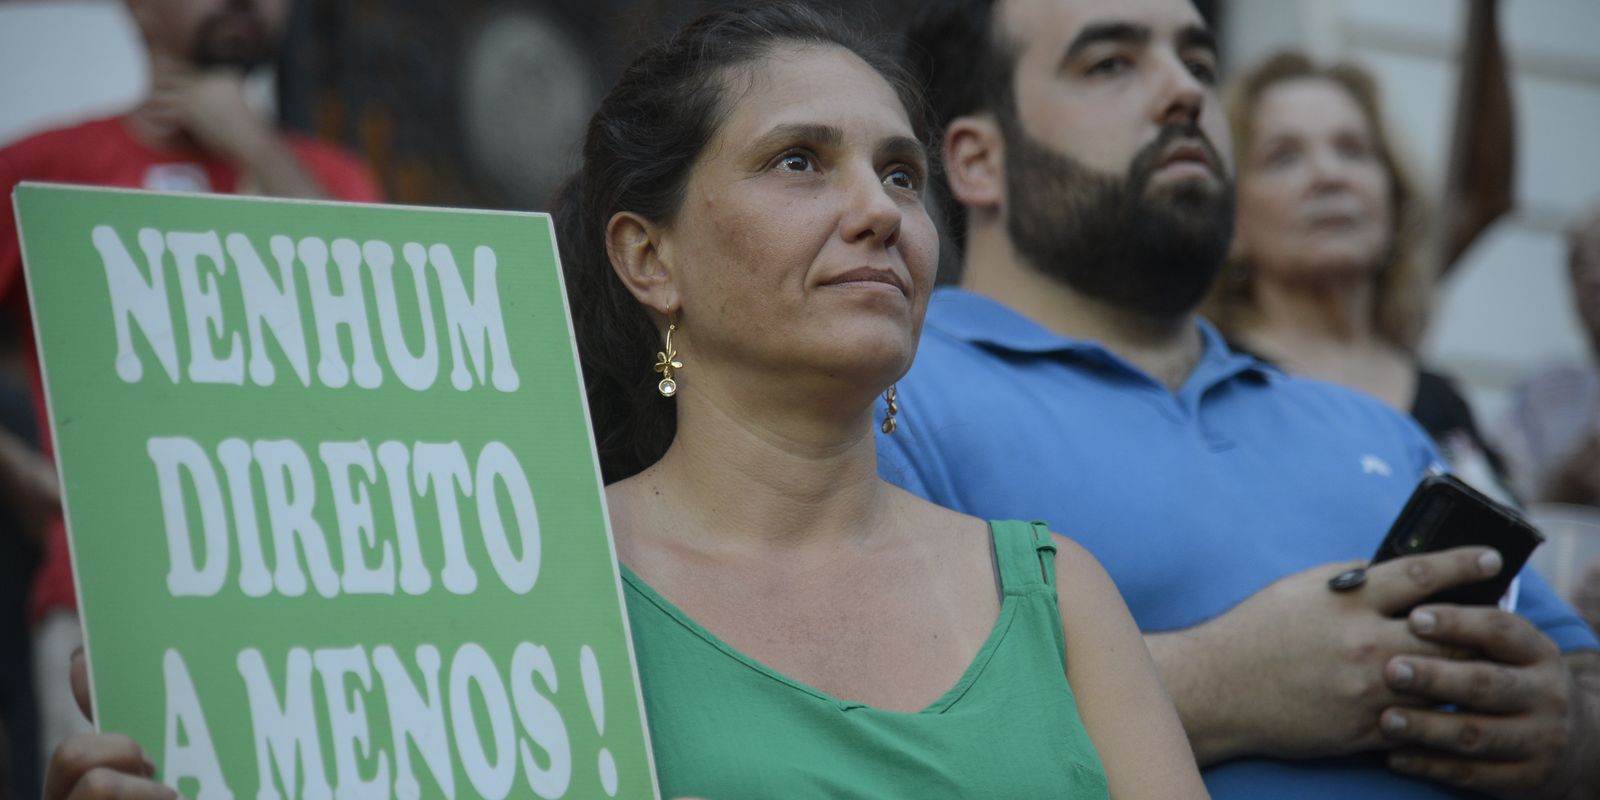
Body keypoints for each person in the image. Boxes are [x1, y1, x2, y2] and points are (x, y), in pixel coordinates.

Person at [40, 4, 1209, 798]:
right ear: (649, 261)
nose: (880, 212)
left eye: (900, 173)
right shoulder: (500, 582)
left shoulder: (1055, 591)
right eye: (800, 160)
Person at [878, 0, 1600, 797]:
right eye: (1111, 63)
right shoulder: (888, 399)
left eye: (1200, 63)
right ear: (979, 160)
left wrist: (1567, 731)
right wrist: (1224, 684)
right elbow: (849, 735)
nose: (1183, 91)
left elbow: (1581, 680)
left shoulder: (1370, 425)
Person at [0, 0, 380, 777]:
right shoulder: (46, 165)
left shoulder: (333, 180)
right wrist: (15, 470)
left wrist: (253, 146)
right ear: (137, 9)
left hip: (322, 606)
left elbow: (385, 330)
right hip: (107, 606)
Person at [1203, 36, 1516, 501]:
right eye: (1284, 156)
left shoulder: (1444, 402)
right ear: (1231, 225)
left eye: (1352, 150)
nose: (1330, 175)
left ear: (1394, 196)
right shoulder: (1212, 386)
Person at [1498, 205, 1600, 633]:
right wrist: (1567, 485)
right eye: (1581, 264)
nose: (1595, 277)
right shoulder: (1546, 392)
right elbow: (1502, 511)